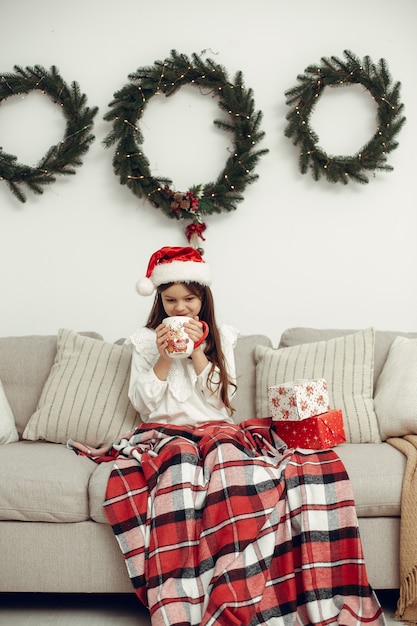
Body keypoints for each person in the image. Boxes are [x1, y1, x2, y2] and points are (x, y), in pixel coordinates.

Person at [71, 246, 385, 626]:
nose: (180, 309)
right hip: (164, 431)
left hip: (217, 427)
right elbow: (145, 404)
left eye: (189, 299)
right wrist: (165, 356)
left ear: (203, 299)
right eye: (170, 300)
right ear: (159, 300)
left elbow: (224, 399)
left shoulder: (222, 336)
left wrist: (200, 352)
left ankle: (240, 568)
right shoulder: (143, 341)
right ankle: (190, 589)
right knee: (181, 466)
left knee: (229, 463)